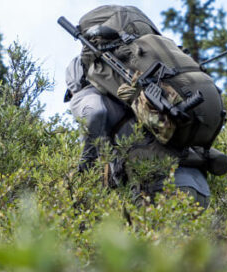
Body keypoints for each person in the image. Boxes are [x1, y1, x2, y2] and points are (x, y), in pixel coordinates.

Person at [64, 55, 212, 206]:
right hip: (199, 185)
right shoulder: (133, 93)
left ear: (74, 82)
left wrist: (84, 169)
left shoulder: (87, 95)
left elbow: (95, 113)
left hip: (161, 188)